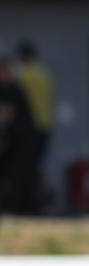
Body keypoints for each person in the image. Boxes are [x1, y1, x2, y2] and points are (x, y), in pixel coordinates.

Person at [16, 41, 53, 209]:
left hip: (30, 126)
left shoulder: (23, 74)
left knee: (27, 166)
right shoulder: (44, 73)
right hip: (46, 123)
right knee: (38, 163)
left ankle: (35, 197)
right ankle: (44, 192)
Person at [0, 57, 38, 214]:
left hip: (22, 139)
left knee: (21, 173)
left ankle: (22, 208)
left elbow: (8, 114)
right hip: (12, 138)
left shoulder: (14, 89)